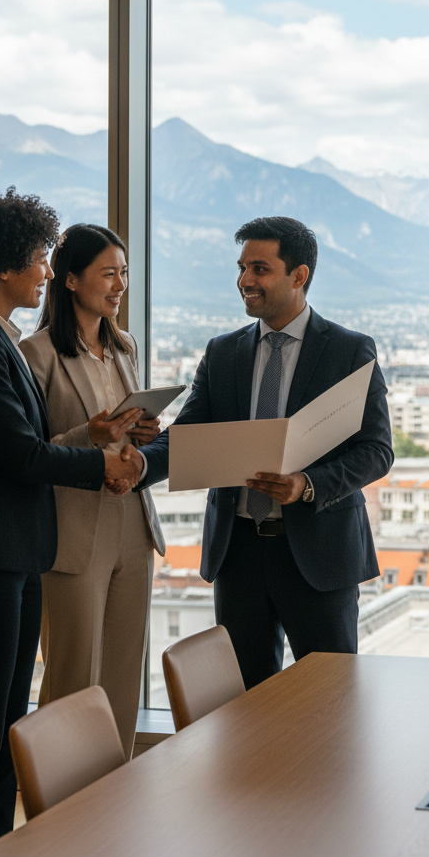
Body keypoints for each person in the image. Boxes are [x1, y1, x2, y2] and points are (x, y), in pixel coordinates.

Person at [0, 189, 141, 857]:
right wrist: (101, 461)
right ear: (3, 264)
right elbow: (22, 454)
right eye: (40, 258)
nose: (46, 271)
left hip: (13, 555)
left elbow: (27, 444)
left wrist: (95, 437)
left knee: (4, 730)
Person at [139, 216, 393, 689]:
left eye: (259, 268)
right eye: (241, 268)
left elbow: (377, 450)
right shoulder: (222, 353)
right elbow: (187, 435)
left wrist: (308, 484)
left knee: (330, 700)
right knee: (243, 705)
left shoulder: (349, 351)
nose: (244, 281)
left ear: (299, 276)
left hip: (319, 555)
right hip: (237, 554)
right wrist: (137, 466)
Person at [19, 224, 165, 757]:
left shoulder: (123, 346)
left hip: (131, 520)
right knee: (73, 676)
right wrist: (92, 436)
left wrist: (142, 432)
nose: (120, 285)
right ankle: (57, 809)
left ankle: (114, 798)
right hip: (73, 527)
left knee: (124, 672)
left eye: (124, 273)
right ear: (72, 280)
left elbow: (126, 430)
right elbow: (32, 451)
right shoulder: (36, 355)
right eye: (109, 274)